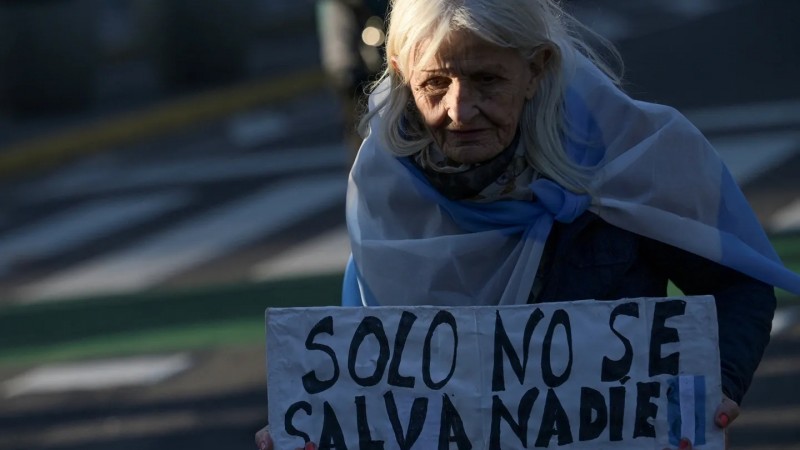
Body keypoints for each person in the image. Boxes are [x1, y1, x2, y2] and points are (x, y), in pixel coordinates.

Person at [258, 0, 800, 448]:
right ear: (401, 76)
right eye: (435, 85)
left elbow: (737, 283)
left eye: (487, 80)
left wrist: (717, 385)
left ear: (537, 68)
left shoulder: (629, 154)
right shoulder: (383, 189)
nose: (460, 110)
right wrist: (311, 423)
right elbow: (376, 375)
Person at [315, 0, 389, 161]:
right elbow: (339, 49)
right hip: (353, 74)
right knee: (361, 133)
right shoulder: (338, 6)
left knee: (365, 132)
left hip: (356, 71)